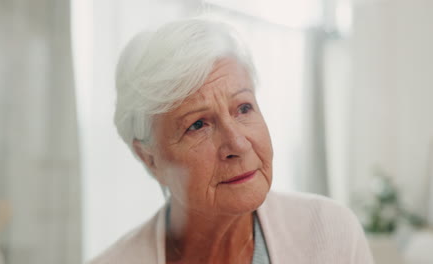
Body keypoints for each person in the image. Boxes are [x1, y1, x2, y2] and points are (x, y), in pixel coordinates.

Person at [90, 18, 373, 264]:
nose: (238, 144)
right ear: (149, 158)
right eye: (197, 125)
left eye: (244, 108)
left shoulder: (329, 233)